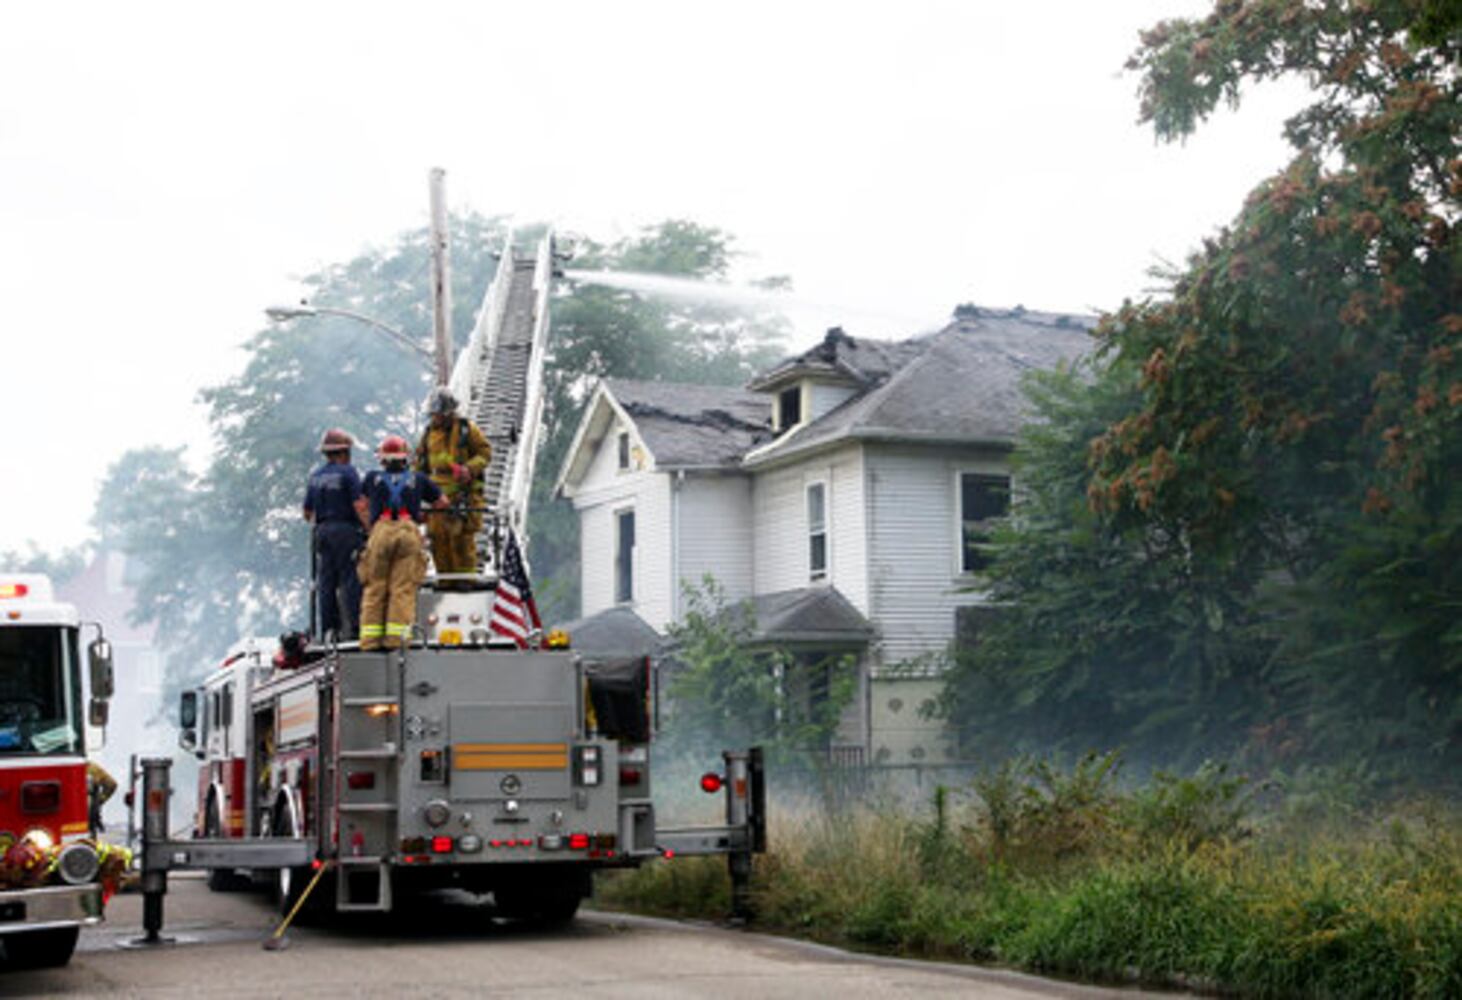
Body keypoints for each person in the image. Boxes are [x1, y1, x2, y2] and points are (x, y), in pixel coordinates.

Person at [357, 435, 445, 651]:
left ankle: (369, 642)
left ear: (383, 459)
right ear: (406, 458)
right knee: (402, 589)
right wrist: (423, 520)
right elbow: (442, 503)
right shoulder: (419, 479)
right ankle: (397, 641)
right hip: (408, 529)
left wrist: (371, 529)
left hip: (381, 529)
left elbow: (360, 505)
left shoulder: (371, 478)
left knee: (375, 586)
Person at [414, 387, 491, 578]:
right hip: (436, 501)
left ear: (449, 412)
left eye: (439, 414)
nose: (436, 418)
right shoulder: (428, 433)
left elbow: (485, 453)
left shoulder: (466, 429)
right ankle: (445, 582)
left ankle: (465, 583)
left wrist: (469, 469)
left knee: (461, 544)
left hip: (462, 498)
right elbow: (419, 466)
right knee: (438, 542)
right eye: (433, 414)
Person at [302, 429, 364, 641]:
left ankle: (330, 630)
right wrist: (371, 529)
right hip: (345, 531)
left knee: (326, 582)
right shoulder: (349, 473)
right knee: (351, 579)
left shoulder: (315, 477)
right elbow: (359, 505)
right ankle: (356, 628)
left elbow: (307, 513)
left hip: (322, 532)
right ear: (344, 451)